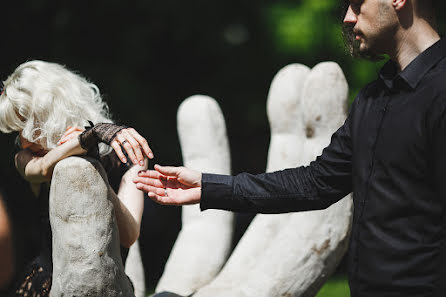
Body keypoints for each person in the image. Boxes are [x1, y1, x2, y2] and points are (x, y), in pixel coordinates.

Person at [133, 0, 446, 296]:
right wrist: (209, 186)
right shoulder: (373, 98)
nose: (349, 17)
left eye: (357, 3)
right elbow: (315, 182)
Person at [0, 60, 153, 297]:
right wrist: (86, 141)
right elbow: (40, 170)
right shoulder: (26, 157)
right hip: (43, 288)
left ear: (55, 115)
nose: (24, 140)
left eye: (30, 126)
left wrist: (92, 163)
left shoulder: (128, 159)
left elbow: (129, 234)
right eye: (19, 130)